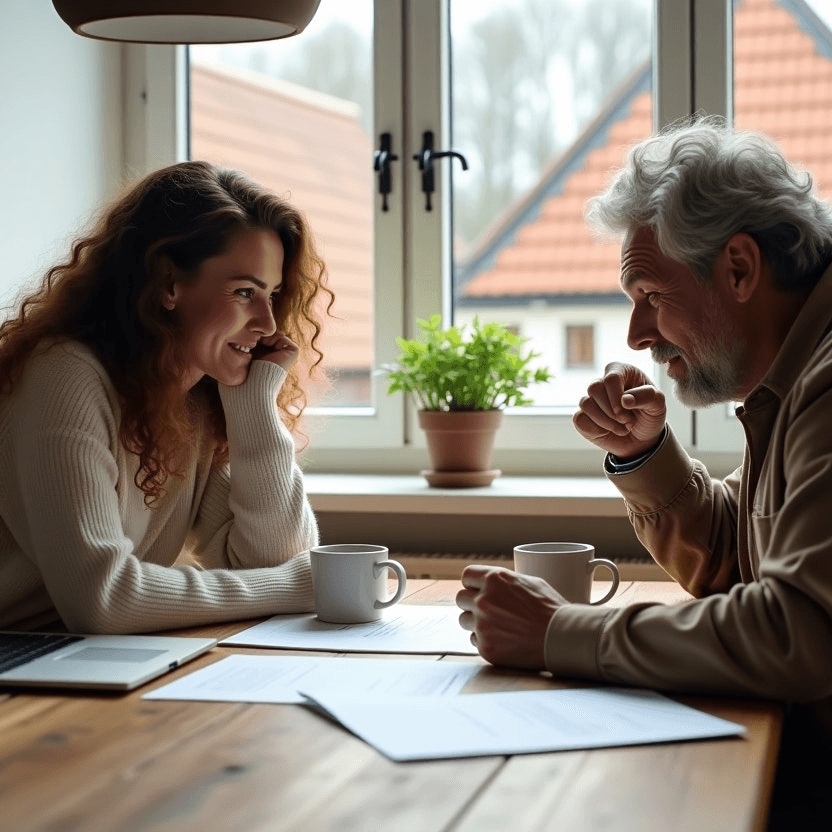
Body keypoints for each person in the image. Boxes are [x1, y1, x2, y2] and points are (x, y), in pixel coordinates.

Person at [455, 117, 832, 827]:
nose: (637, 335)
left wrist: (559, 634)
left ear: (741, 268)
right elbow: (743, 565)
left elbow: (798, 634)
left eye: (650, 295)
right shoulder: (793, 372)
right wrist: (645, 456)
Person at [0, 160, 333, 634]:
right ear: (170, 285)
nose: (269, 324)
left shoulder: (192, 400)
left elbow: (271, 559)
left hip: (81, 659)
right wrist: (292, 586)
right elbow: (103, 600)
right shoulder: (65, 377)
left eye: (272, 294)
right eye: (244, 292)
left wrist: (253, 402)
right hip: (19, 671)